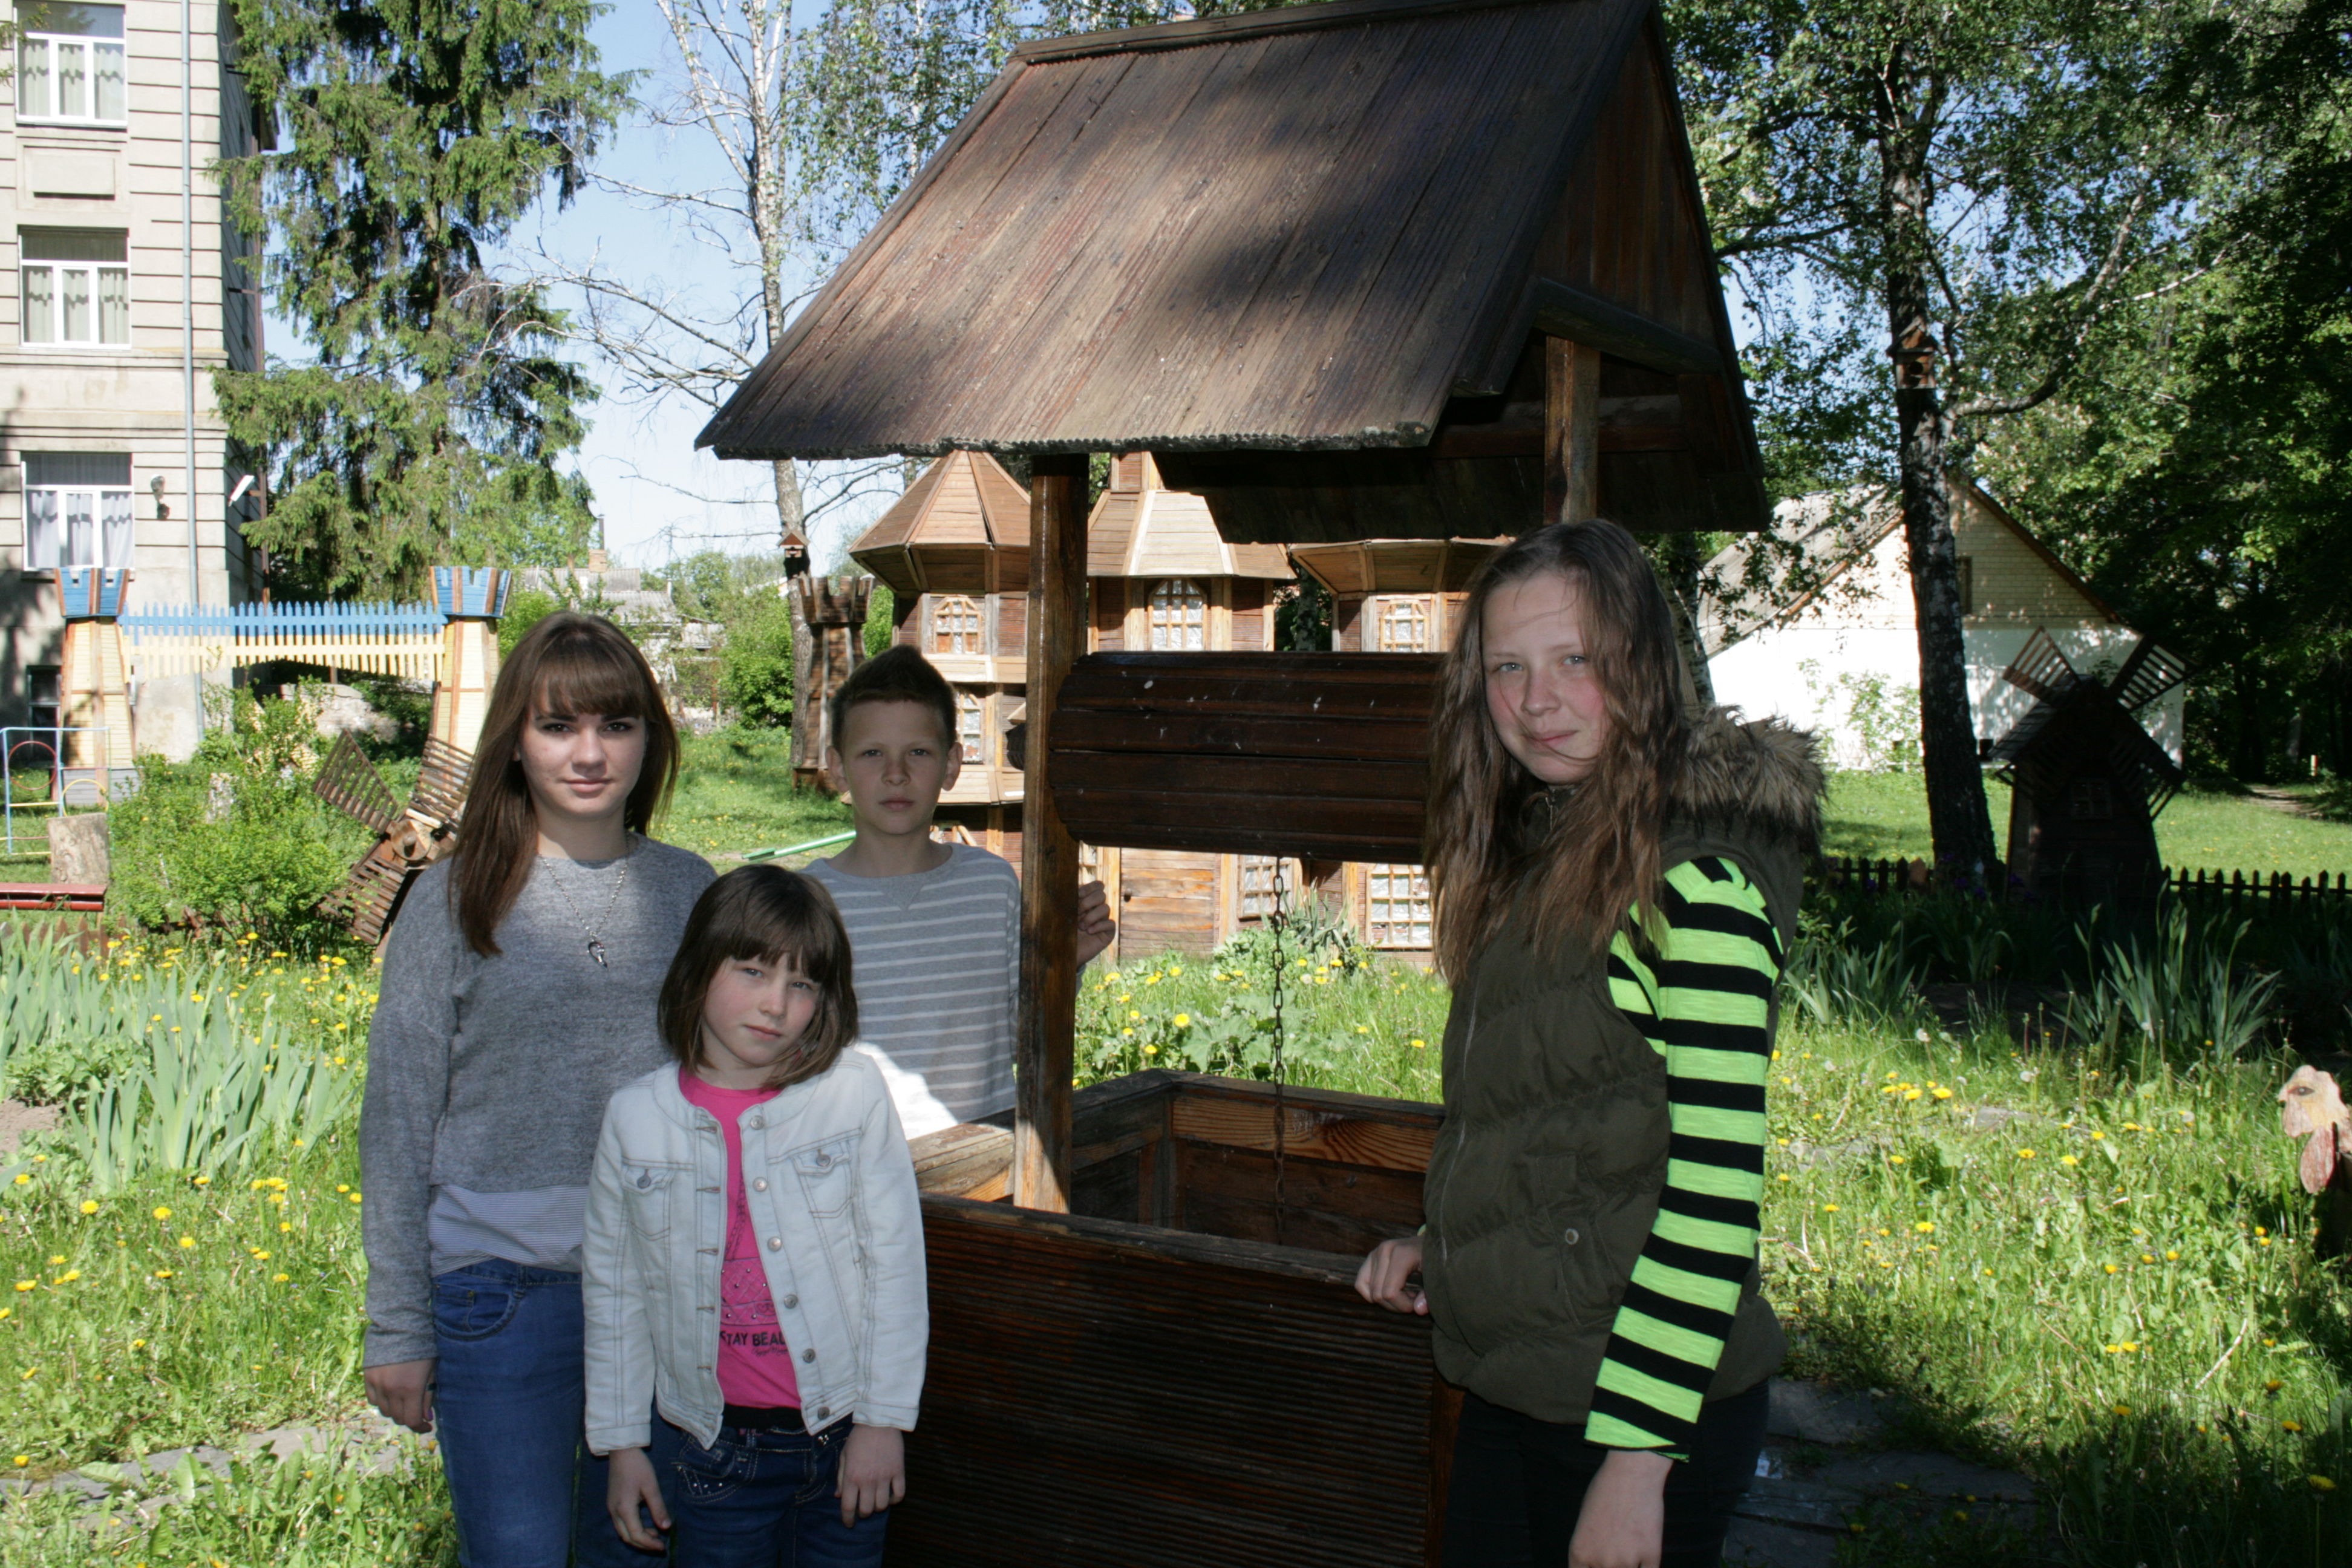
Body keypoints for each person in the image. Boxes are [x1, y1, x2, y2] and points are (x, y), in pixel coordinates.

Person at [1354, 520, 1822, 1568]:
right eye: (1506, 668)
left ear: (1643, 664)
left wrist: (1635, 1468)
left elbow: (1714, 1196)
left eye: (1576, 659)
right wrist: (1455, 1249)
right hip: (1523, 1381)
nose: (1536, 701)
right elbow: (1562, 1125)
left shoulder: (1695, 885)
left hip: (1638, 1415)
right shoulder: (1545, 853)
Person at [361, 612, 716, 1568]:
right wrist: (397, 1324)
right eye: (558, 726)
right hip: (501, 1299)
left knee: (639, 1554)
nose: (590, 754)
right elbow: (396, 1119)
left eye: (617, 725)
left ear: (650, 739)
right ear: (514, 742)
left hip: (662, 1291)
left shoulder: (691, 892)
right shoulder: (453, 898)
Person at [585, 864, 926, 1566]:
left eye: (803, 985)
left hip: (846, 1439)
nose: (776, 1004)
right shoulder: (634, 1119)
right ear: (698, 967)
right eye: (752, 971)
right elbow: (615, 1296)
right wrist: (623, 1445)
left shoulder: (853, 1093)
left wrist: (883, 1423)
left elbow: (895, 1266)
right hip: (714, 1451)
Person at [802, 645, 1114, 1138]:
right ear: (838, 767)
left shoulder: (990, 886)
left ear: (952, 764)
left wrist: (1061, 962)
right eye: (872, 753)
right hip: (849, 1164)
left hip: (984, 1157)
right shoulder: (806, 901)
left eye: (918, 753)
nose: (896, 773)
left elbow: (1016, 1038)